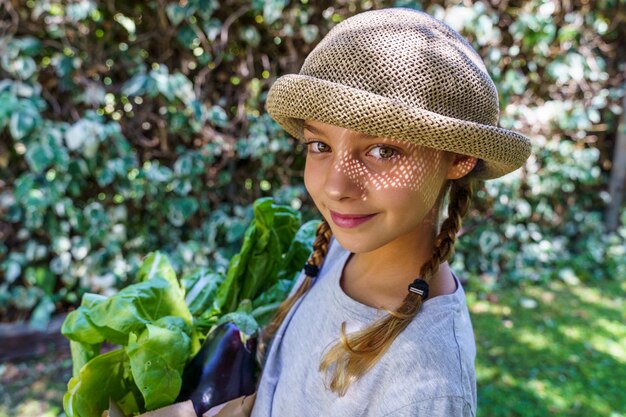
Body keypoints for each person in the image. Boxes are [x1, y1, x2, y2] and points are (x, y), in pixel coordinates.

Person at [206, 7, 531, 417]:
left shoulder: (426, 386)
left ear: (459, 159)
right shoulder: (340, 252)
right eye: (320, 146)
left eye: (383, 151)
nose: (337, 188)